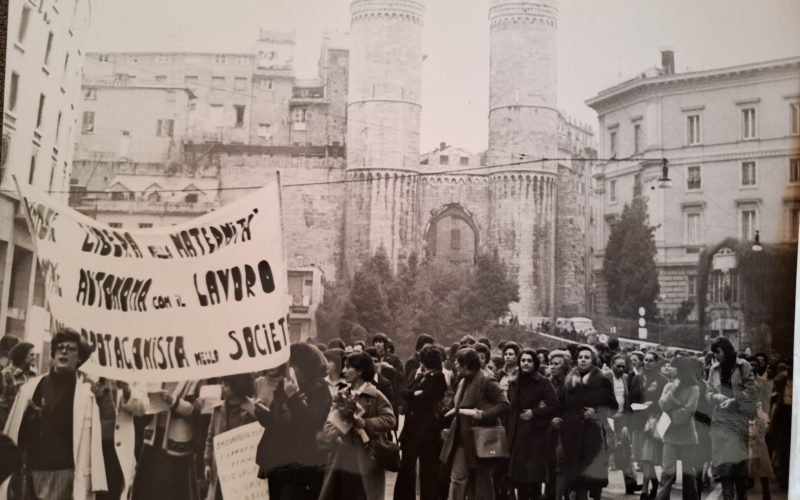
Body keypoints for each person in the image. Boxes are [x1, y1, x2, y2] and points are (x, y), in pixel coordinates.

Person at [2, 328, 106, 500]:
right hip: (28, 476)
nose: (63, 351)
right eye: (59, 347)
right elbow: (13, 433)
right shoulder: (30, 389)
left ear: (79, 358)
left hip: (64, 478)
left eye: (71, 348)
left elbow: (91, 451)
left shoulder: (86, 399)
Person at [257, 343, 332, 500]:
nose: (288, 370)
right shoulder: (284, 386)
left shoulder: (320, 390)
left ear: (306, 367)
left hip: (301, 464)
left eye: (293, 366)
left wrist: (293, 397)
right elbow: (276, 422)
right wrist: (261, 412)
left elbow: (311, 424)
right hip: (277, 460)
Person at [319, 351, 396, 500]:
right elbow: (329, 423)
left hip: (366, 458)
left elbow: (389, 419)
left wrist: (366, 423)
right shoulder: (342, 394)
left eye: (348, 367)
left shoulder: (374, 395)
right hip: (341, 457)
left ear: (360, 370)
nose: (343, 371)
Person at [439, 347, 509, 500]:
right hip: (461, 438)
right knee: (457, 479)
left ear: (466, 365)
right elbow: (461, 404)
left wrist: (481, 414)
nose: (455, 365)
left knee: (482, 483)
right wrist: (454, 410)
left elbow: (504, 404)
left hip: (480, 440)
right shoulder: (463, 381)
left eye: (458, 362)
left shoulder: (487, 380)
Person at [558, 345, 617, 500]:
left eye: (587, 357)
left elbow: (613, 407)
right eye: (580, 357)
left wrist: (596, 413)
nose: (583, 360)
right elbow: (561, 404)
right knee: (571, 477)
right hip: (571, 433)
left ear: (593, 360)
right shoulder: (569, 381)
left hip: (592, 434)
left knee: (586, 477)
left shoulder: (602, 380)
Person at [131, 380, 201, 500]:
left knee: (172, 488)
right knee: (146, 485)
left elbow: (194, 410)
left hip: (177, 442)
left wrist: (172, 401)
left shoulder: (193, 380)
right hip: (154, 437)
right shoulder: (157, 374)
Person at [394, 345, 447, 500]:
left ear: (424, 362)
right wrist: (414, 394)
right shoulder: (423, 377)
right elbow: (404, 391)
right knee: (411, 470)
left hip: (426, 431)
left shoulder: (438, 380)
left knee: (426, 472)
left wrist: (413, 394)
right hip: (415, 430)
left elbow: (419, 397)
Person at [707, 336, 756, 500]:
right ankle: (728, 497)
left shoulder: (744, 366)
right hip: (720, 422)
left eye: (718, 352)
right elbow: (708, 392)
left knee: (739, 466)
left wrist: (734, 400)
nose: (716, 356)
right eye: (714, 353)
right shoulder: (714, 369)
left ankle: (741, 495)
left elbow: (751, 392)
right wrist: (715, 397)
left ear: (727, 350)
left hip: (738, 422)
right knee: (725, 466)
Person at [506, 348, 557, 500]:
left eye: (529, 361)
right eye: (523, 360)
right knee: (520, 481)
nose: (526, 364)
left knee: (534, 481)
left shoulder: (543, 382)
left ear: (535, 363)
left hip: (536, 437)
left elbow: (554, 405)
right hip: (518, 437)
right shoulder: (515, 383)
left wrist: (534, 413)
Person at [90, 377, 147, 500]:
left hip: (118, 446)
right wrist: (93, 395)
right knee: (93, 490)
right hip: (94, 443)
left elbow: (143, 408)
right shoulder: (91, 370)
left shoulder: (132, 372)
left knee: (113, 490)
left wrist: (127, 390)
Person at [203, 374, 257, 500]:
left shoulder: (252, 412)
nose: (221, 387)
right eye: (222, 382)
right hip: (218, 473)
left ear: (237, 387)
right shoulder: (217, 410)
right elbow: (210, 438)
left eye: (226, 384)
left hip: (240, 474)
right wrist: (207, 463)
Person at [654, 356, 700, 500]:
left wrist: (671, 412)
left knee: (688, 473)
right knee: (667, 472)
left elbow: (689, 411)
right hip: (670, 435)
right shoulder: (669, 386)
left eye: (672, 366)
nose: (669, 368)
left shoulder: (694, 388)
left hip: (687, 436)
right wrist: (674, 389)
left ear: (680, 369)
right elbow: (662, 405)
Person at [630, 351, 667, 499]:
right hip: (638, 420)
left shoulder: (663, 380)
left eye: (651, 360)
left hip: (653, 421)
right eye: (645, 360)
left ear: (656, 362)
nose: (647, 362)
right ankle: (655, 481)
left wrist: (653, 405)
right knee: (642, 457)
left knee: (647, 457)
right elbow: (630, 399)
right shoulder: (637, 378)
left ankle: (645, 489)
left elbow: (665, 403)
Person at [605, 353, 641, 495]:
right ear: (611, 364)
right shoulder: (605, 377)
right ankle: (595, 485)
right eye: (617, 366)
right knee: (605, 452)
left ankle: (631, 483)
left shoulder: (626, 378)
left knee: (625, 451)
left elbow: (627, 401)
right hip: (607, 419)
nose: (620, 369)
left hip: (621, 420)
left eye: (623, 366)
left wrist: (626, 420)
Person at [0, 342, 36, 429]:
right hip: (7, 423)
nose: (34, 358)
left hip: (28, 424)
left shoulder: (34, 374)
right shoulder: (5, 374)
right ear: (22, 355)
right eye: (31, 355)